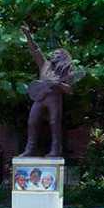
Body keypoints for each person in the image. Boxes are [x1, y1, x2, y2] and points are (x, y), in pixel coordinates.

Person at [19, 23, 75, 158]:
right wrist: (28, 35)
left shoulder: (66, 72)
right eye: (53, 53)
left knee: (54, 122)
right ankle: (30, 149)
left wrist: (60, 85)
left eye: (57, 54)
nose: (53, 55)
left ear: (61, 58)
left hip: (54, 98)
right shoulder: (44, 64)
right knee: (32, 122)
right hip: (40, 97)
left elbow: (68, 90)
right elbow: (35, 51)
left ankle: (56, 149)